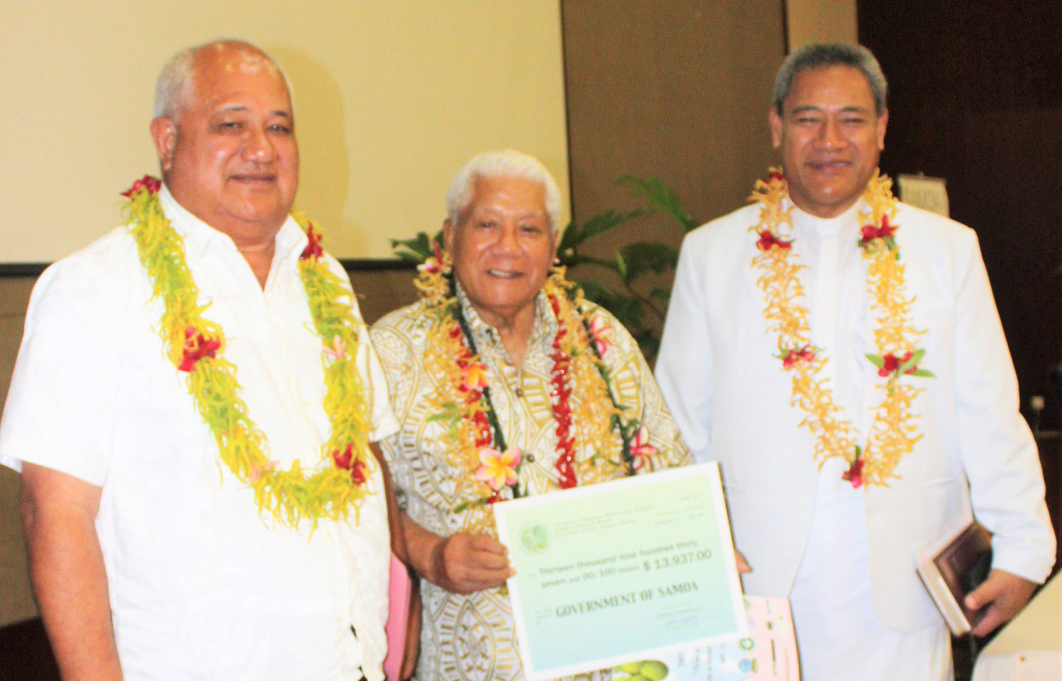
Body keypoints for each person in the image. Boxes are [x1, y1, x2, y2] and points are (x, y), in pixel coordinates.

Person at [0, 40, 402, 680]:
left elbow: (364, 466)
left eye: (278, 127)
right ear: (166, 141)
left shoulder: (321, 278)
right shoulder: (96, 287)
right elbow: (54, 513)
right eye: (230, 125)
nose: (261, 148)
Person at [655, 43, 1056, 680]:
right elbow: (677, 424)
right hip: (757, 572)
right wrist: (691, 545)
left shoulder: (947, 252)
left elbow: (988, 410)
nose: (830, 141)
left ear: (883, 129)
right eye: (809, 119)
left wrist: (1025, 547)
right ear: (777, 127)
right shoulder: (713, 256)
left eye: (853, 119)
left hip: (903, 575)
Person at [370, 150, 692, 680]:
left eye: (529, 229)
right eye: (487, 226)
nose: (508, 249)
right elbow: (357, 507)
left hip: (612, 661)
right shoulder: (391, 351)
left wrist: (705, 549)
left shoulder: (603, 339)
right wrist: (433, 555)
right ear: (451, 237)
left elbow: (668, 476)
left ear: (553, 246)